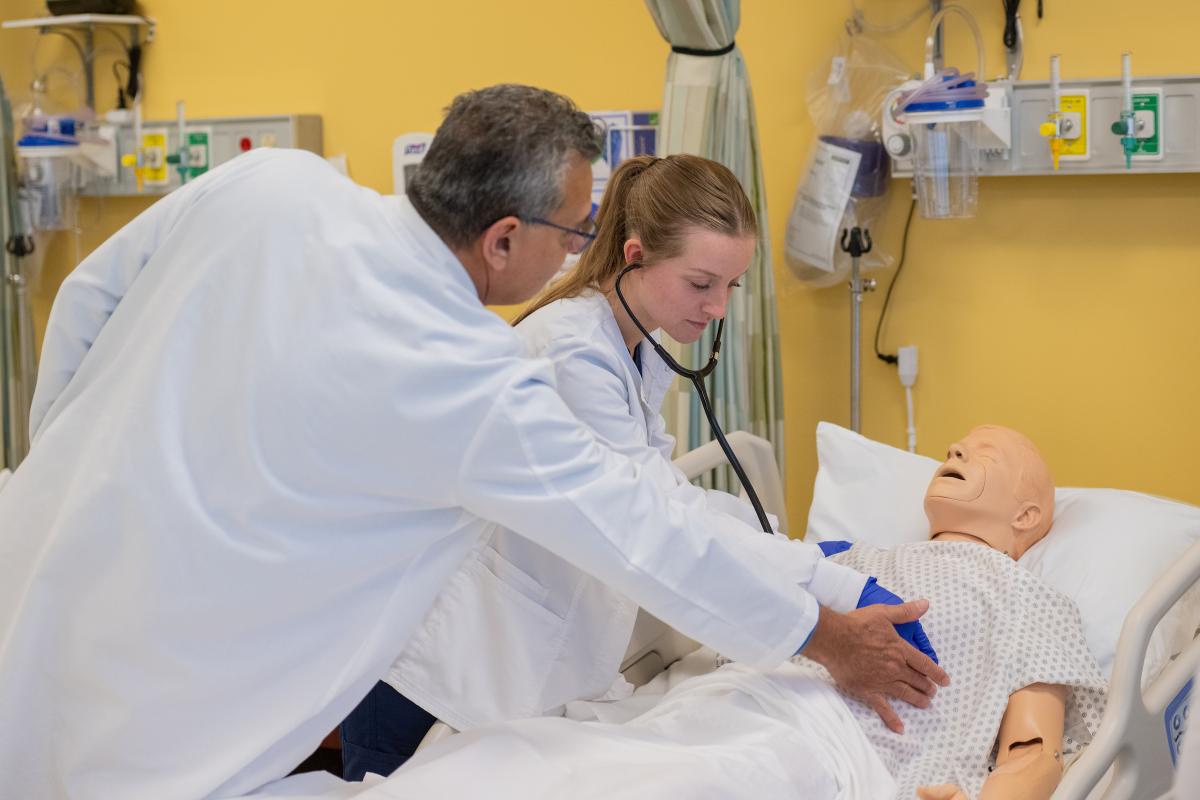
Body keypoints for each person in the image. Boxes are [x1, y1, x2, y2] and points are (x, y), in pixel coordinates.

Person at [0, 84, 944, 799]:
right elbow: (640, 528)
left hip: (51, 560)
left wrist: (69, 465)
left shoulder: (270, 185)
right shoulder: (467, 378)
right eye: (574, 236)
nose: (576, 255)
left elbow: (86, 298)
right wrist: (821, 633)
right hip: (174, 692)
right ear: (502, 239)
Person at [341, 153, 940, 779]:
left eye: (732, 285)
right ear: (635, 256)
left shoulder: (634, 345)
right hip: (433, 677)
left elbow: (670, 498)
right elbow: (658, 522)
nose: (719, 309)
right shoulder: (573, 354)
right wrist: (828, 597)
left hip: (509, 665)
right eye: (701, 283)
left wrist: (810, 568)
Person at [821, 425, 1106, 799]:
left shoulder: (1025, 595)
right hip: (759, 706)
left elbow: (1033, 752)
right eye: (954, 450)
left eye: (986, 454)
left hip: (864, 766)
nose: (954, 450)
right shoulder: (852, 560)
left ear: (1025, 516)